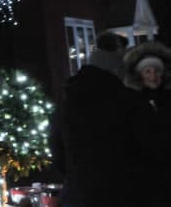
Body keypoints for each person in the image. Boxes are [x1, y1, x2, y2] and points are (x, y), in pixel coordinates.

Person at [48, 32, 146, 207]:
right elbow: (148, 149)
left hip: (79, 194)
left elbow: (57, 150)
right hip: (123, 194)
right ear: (117, 66)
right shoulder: (128, 101)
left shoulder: (68, 99)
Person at [122, 41, 171, 207]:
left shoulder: (167, 98)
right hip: (144, 175)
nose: (153, 75)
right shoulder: (132, 102)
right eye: (147, 71)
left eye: (157, 71)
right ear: (139, 75)